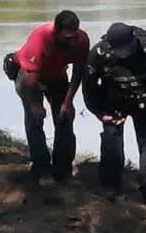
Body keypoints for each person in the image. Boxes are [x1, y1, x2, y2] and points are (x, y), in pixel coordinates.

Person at [82, 22, 146, 205]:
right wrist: (100, 113)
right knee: (111, 141)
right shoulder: (99, 53)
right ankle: (111, 189)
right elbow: (89, 88)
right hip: (114, 103)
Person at [12, 10, 89, 185]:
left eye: (73, 37)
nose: (71, 42)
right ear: (56, 32)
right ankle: (42, 169)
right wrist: (35, 104)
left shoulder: (81, 41)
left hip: (58, 76)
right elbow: (32, 77)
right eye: (66, 38)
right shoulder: (41, 38)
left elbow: (78, 71)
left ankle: (63, 169)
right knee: (35, 119)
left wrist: (68, 102)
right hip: (31, 77)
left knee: (65, 118)